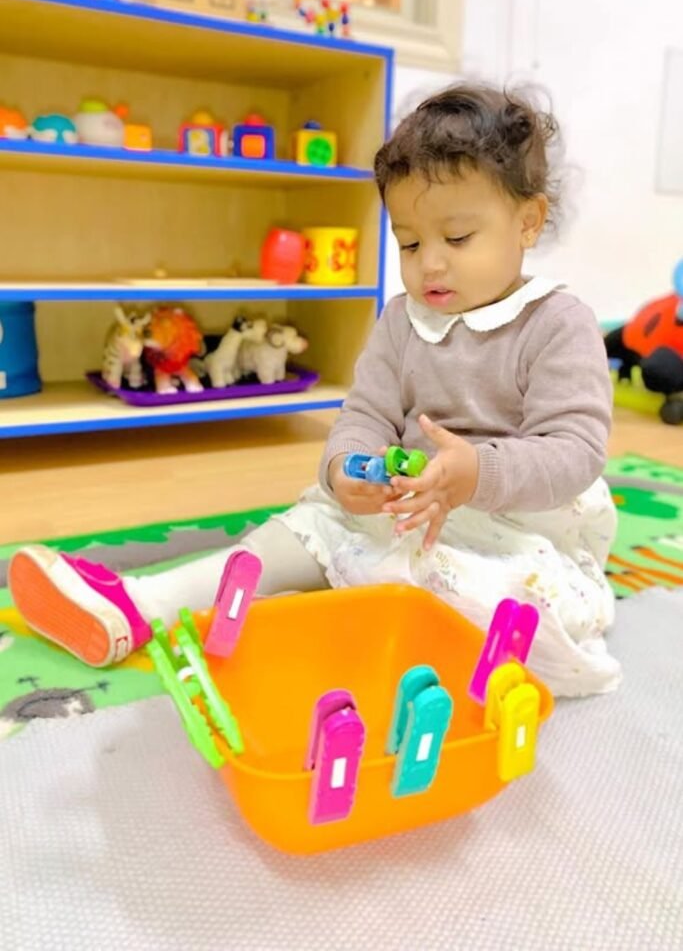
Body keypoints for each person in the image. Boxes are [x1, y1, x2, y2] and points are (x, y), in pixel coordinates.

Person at [8, 84, 620, 697]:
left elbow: (574, 450)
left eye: (457, 239)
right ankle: (144, 603)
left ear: (527, 221)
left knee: (508, 597)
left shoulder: (557, 323)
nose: (429, 263)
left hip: (512, 526)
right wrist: (346, 468)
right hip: (401, 511)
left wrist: (476, 472)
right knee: (304, 527)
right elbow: (365, 415)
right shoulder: (402, 320)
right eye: (409, 242)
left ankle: (425, 651)